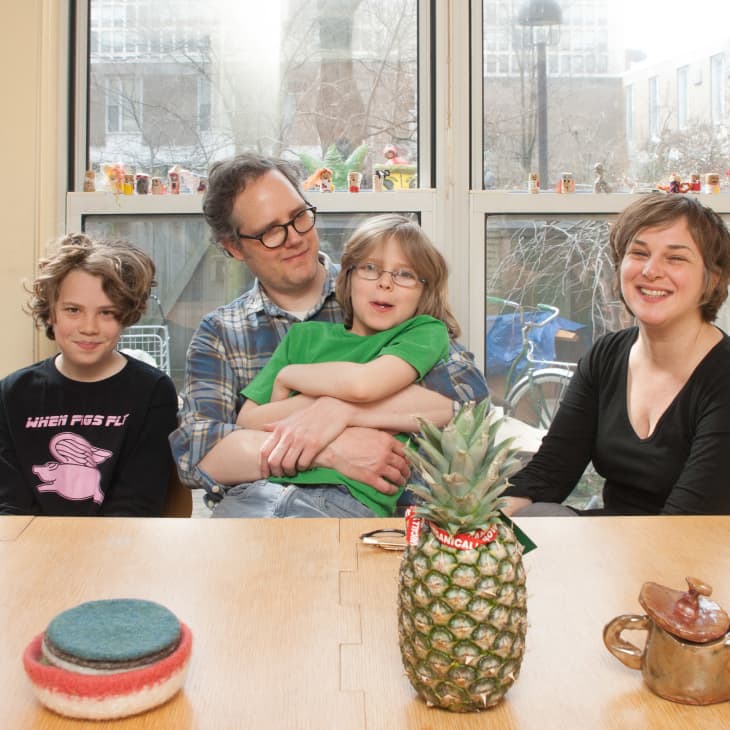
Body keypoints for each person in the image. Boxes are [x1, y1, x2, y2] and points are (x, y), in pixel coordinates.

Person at [170, 152, 488, 515]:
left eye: (299, 216)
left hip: (369, 521)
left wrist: (338, 410)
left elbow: (468, 404)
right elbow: (199, 452)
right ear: (234, 247)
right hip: (252, 510)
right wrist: (330, 448)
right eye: (271, 231)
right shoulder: (221, 333)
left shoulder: (382, 299)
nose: (293, 238)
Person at [502, 193, 730, 516]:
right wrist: (475, 531)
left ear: (712, 279)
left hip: (693, 554)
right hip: (616, 542)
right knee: (534, 515)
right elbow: (547, 475)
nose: (651, 271)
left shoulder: (724, 377)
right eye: (638, 253)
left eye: (675, 258)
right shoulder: (605, 357)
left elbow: (688, 521)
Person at [233, 214, 456, 518]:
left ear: (424, 290)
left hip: (345, 500)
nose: (385, 283)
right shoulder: (302, 337)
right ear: (347, 277)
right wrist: (326, 411)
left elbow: (363, 386)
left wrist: (290, 376)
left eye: (404, 274)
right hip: (258, 490)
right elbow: (249, 422)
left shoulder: (423, 332)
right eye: (369, 268)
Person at [0, 233, 179, 516]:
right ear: (50, 313)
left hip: (117, 549)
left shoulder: (153, 392)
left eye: (106, 313)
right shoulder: (12, 393)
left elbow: (136, 507)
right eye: (73, 310)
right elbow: (10, 507)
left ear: (126, 315)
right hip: (31, 551)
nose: (89, 327)